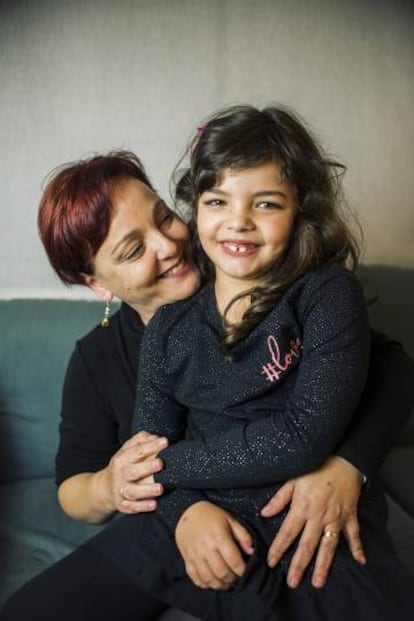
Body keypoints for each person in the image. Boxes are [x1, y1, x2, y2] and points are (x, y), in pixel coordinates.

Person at [1, 134, 413, 620]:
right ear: (96, 282)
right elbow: (74, 485)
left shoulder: (257, 270)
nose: (170, 245)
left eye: (163, 218)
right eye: (134, 250)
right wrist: (121, 489)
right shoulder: (100, 358)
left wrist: (348, 463)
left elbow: (389, 370)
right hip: (172, 518)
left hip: (287, 502)